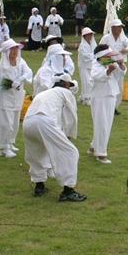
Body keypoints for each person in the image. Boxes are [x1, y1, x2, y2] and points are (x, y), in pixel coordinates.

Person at [23, 74, 87, 202]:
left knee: (37, 152)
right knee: (70, 152)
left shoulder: (44, 94)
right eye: (70, 85)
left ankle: (39, 186)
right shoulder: (65, 92)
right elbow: (71, 116)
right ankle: (68, 191)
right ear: (65, 84)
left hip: (27, 122)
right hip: (43, 121)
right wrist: (69, 136)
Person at [0, 39, 33, 158]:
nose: (15, 52)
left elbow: (29, 73)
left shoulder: (21, 62)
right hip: (5, 98)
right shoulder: (0, 67)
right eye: (12, 49)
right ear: (6, 52)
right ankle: (4, 147)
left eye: (16, 49)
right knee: (6, 123)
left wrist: (20, 80)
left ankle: (11, 142)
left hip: (17, 97)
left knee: (15, 122)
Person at [89, 44, 127, 164]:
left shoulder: (110, 63)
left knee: (106, 124)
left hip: (110, 96)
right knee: (102, 125)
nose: (111, 57)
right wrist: (108, 71)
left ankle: (94, 147)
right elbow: (97, 76)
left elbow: (122, 73)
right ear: (101, 56)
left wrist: (120, 64)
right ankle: (101, 154)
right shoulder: (95, 65)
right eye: (108, 56)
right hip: (100, 97)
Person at [100, 19, 128, 111]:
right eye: (118, 27)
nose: (120, 29)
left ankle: (115, 107)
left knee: (119, 88)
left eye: (120, 27)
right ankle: (109, 107)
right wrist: (107, 61)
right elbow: (99, 51)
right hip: (108, 65)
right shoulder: (106, 38)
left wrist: (127, 50)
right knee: (109, 87)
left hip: (119, 66)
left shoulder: (123, 38)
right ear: (112, 28)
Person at [78, 27, 97, 105]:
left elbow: (97, 52)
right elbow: (86, 57)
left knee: (91, 82)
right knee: (86, 82)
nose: (89, 36)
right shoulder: (82, 46)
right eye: (87, 35)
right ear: (84, 36)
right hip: (84, 66)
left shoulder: (93, 44)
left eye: (90, 35)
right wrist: (94, 55)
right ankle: (86, 99)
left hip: (92, 66)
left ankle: (84, 97)